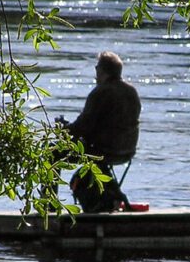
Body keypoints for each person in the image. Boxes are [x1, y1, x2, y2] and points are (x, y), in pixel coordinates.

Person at [58, 51, 141, 212]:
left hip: (103, 151)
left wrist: (63, 130)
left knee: (52, 154)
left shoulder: (100, 92)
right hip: (127, 151)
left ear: (101, 71)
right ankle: (113, 194)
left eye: (97, 69)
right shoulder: (132, 92)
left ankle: (48, 206)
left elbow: (81, 128)